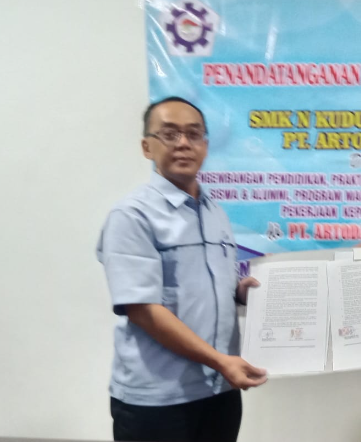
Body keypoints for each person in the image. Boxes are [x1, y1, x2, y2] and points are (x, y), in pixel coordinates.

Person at [96, 97, 267, 442]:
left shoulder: (214, 212)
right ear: (147, 147)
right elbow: (143, 310)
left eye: (194, 134)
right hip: (158, 399)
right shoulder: (132, 216)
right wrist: (220, 361)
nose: (184, 143)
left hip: (219, 390)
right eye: (170, 134)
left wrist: (239, 292)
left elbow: (205, 284)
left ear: (205, 145)